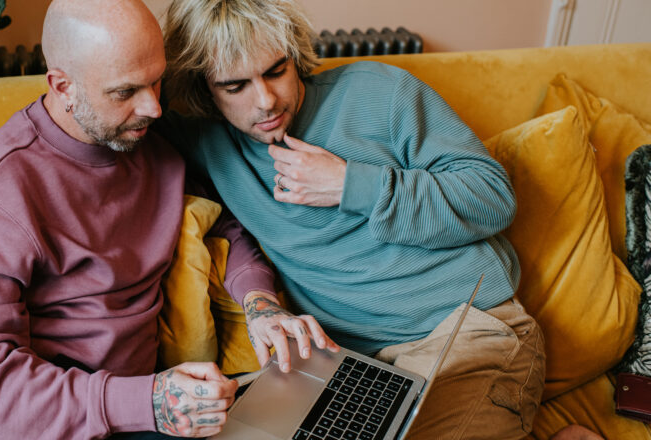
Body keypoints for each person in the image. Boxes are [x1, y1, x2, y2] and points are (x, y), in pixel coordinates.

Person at [0, 0, 337, 439]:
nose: (153, 108)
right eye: (125, 92)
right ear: (63, 87)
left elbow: (222, 226)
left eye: (157, 82)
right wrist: (147, 402)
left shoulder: (145, 142)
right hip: (29, 423)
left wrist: (260, 304)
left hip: (141, 409)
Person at [158, 0, 547, 438]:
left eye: (275, 71)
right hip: (347, 364)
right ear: (203, 88)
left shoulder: (379, 93)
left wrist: (351, 185)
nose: (266, 101)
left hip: (465, 331)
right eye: (235, 87)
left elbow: (492, 197)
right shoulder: (205, 139)